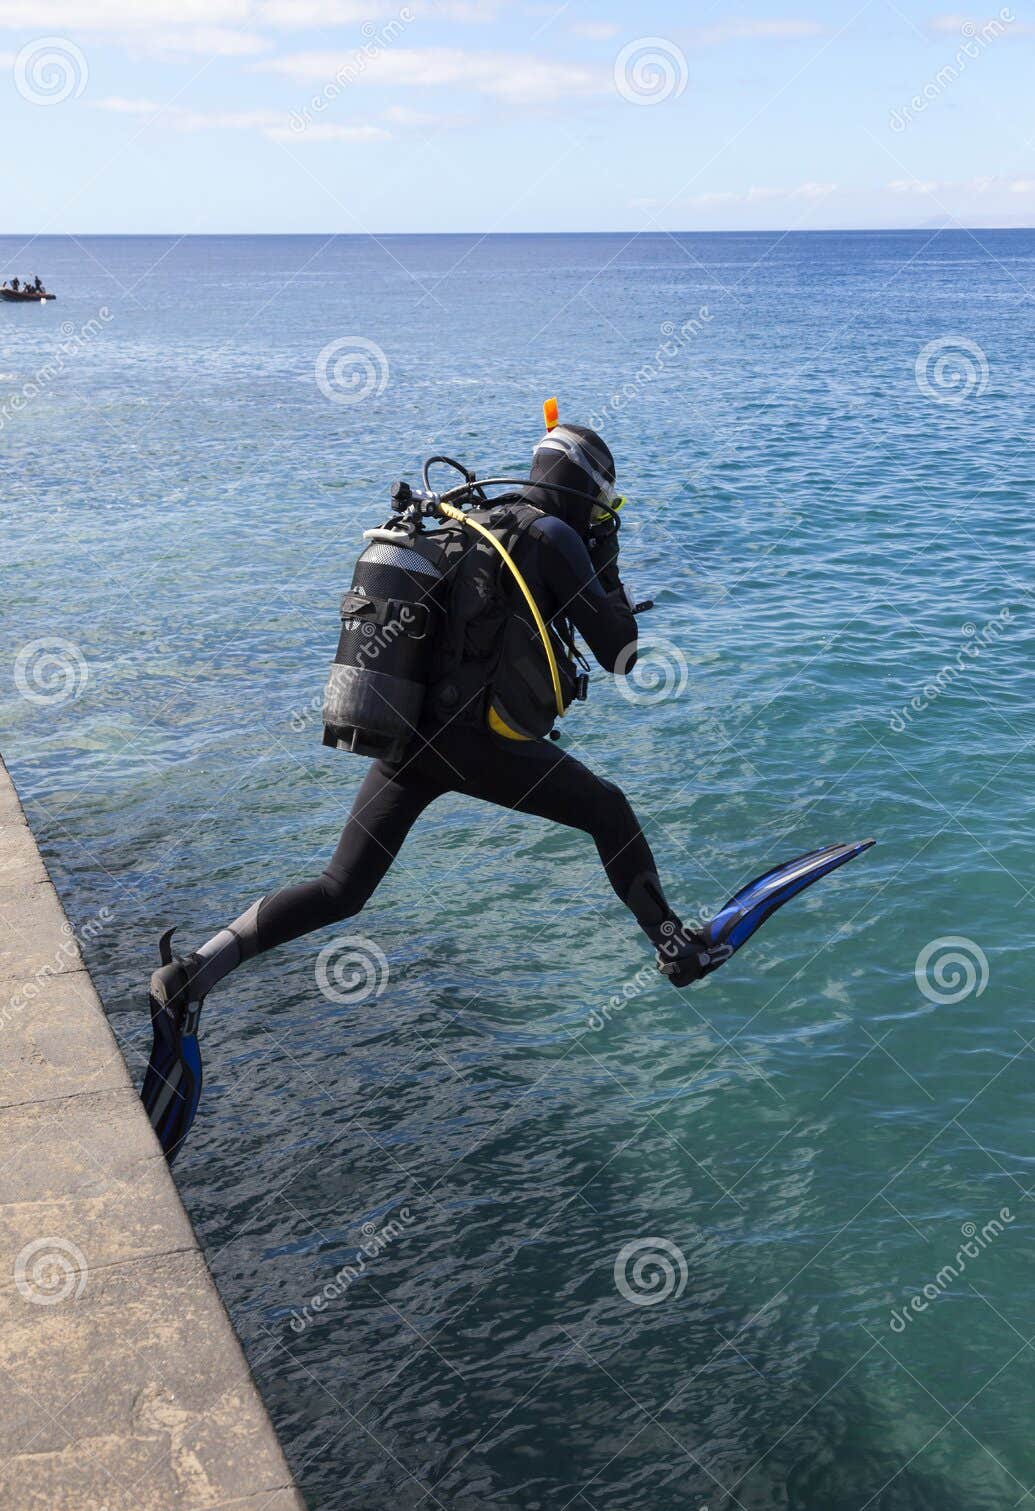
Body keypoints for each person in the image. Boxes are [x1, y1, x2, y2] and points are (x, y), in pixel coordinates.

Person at [142, 414, 873, 1158]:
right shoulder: (552, 537)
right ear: (588, 490)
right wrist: (607, 559)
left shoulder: (475, 523)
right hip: (478, 746)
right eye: (606, 506)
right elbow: (620, 653)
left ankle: (194, 973)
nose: (602, 517)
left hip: (411, 737)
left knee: (341, 887)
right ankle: (679, 951)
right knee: (607, 811)